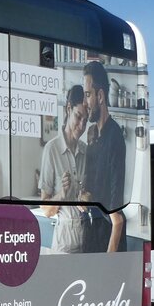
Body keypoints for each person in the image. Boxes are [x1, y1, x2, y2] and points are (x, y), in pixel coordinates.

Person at [80, 60, 125, 252]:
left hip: (107, 243)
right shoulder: (93, 136)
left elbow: (116, 216)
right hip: (92, 235)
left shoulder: (114, 137)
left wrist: (109, 260)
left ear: (100, 96)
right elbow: (90, 190)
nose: (84, 102)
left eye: (88, 95)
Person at [38, 85, 87, 253]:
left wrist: (88, 198)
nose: (81, 126)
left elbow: (92, 196)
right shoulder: (51, 150)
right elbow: (45, 210)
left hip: (88, 242)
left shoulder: (86, 151)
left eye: (86, 120)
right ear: (68, 109)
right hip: (64, 245)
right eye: (78, 116)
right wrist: (62, 195)